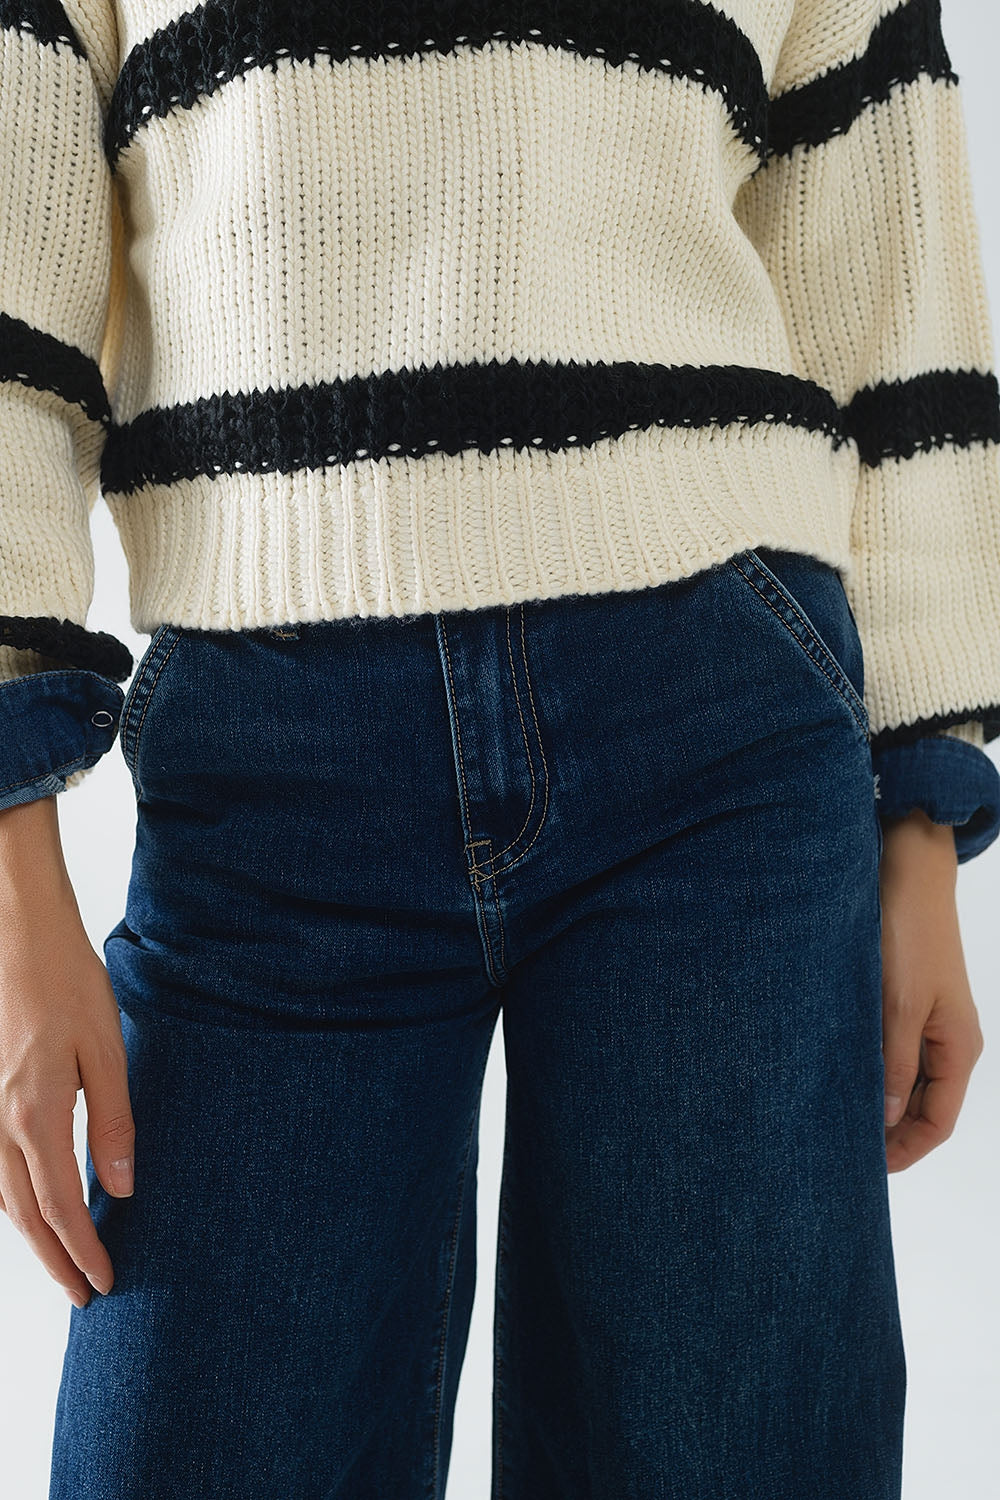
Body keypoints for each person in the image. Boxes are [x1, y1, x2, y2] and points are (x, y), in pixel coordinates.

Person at [1, 1, 999, 1496]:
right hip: (269, 785)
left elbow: (888, 260)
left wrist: (922, 824)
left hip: (714, 734)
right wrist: (14, 887)